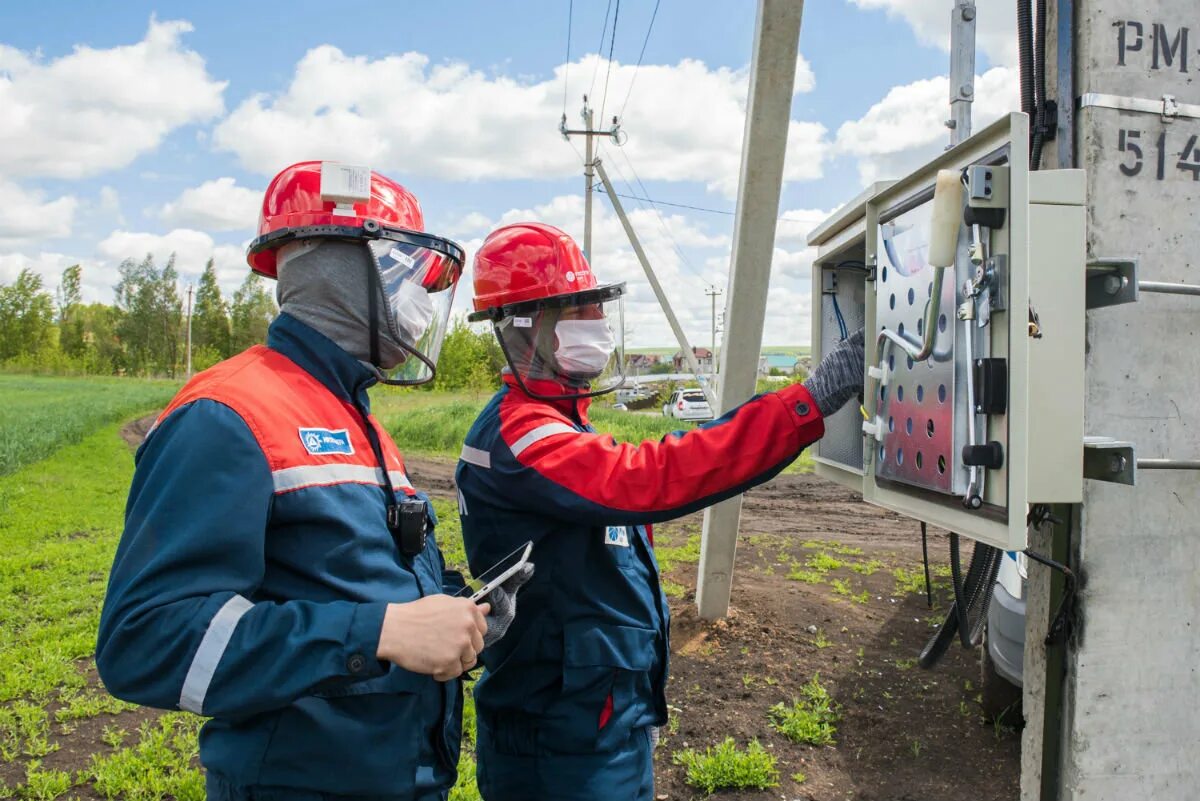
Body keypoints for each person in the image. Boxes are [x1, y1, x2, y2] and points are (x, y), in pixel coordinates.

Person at [96, 161, 529, 801]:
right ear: (341, 268)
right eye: (412, 273)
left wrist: (454, 611)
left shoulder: (349, 411)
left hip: (391, 773)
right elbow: (145, 641)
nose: (423, 302)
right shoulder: (229, 415)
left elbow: (350, 578)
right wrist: (378, 632)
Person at [455, 222, 865, 800]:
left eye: (596, 306)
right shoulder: (522, 435)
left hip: (595, 721)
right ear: (527, 329)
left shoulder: (558, 420)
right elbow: (650, 475)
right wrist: (806, 402)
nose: (595, 322)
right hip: (561, 740)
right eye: (577, 308)